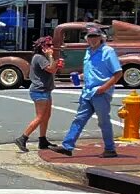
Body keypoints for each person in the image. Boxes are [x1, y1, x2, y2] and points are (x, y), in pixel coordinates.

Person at [52, 27, 122, 158]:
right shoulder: (88, 51)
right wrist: (79, 77)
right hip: (88, 91)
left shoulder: (108, 51)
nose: (92, 39)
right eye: (90, 36)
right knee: (79, 119)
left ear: (101, 37)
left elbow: (117, 73)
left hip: (100, 92)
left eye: (95, 36)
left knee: (103, 121)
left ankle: (110, 149)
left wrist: (104, 88)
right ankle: (67, 146)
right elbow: (92, 72)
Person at [14, 36, 64, 152]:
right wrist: (52, 57)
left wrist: (57, 64)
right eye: (48, 45)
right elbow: (51, 69)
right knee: (40, 117)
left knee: (46, 117)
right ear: (42, 47)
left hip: (46, 90)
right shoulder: (39, 58)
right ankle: (22, 138)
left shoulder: (44, 58)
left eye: (51, 45)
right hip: (39, 90)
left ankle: (42, 140)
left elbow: (52, 70)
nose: (51, 47)